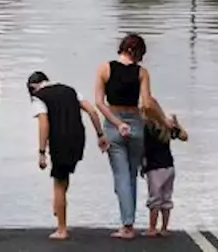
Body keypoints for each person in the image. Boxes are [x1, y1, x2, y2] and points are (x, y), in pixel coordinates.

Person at [27, 71, 109, 241]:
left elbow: (44, 123)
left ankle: (61, 229)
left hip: (59, 140)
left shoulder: (39, 97)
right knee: (63, 177)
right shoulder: (70, 90)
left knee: (58, 181)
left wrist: (42, 152)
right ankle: (58, 207)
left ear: (33, 87)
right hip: (78, 139)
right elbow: (92, 111)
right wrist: (100, 134)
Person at [94, 33, 154, 239]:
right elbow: (146, 104)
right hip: (136, 123)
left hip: (113, 123)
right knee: (130, 174)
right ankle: (129, 222)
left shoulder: (105, 68)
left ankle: (127, 225)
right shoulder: (142, 73)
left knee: (121, 176)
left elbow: (99, 102)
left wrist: (118, 123)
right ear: (138, 53)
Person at [141, 102, 187, 237]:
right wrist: (177, 125)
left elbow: (142, 150)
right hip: (169, 167)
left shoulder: (146, 127)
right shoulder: (165, 126)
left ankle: (152, 228)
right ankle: (164, 228)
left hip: (154, 169)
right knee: (166, 198)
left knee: (155, 199)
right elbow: (184, 137)